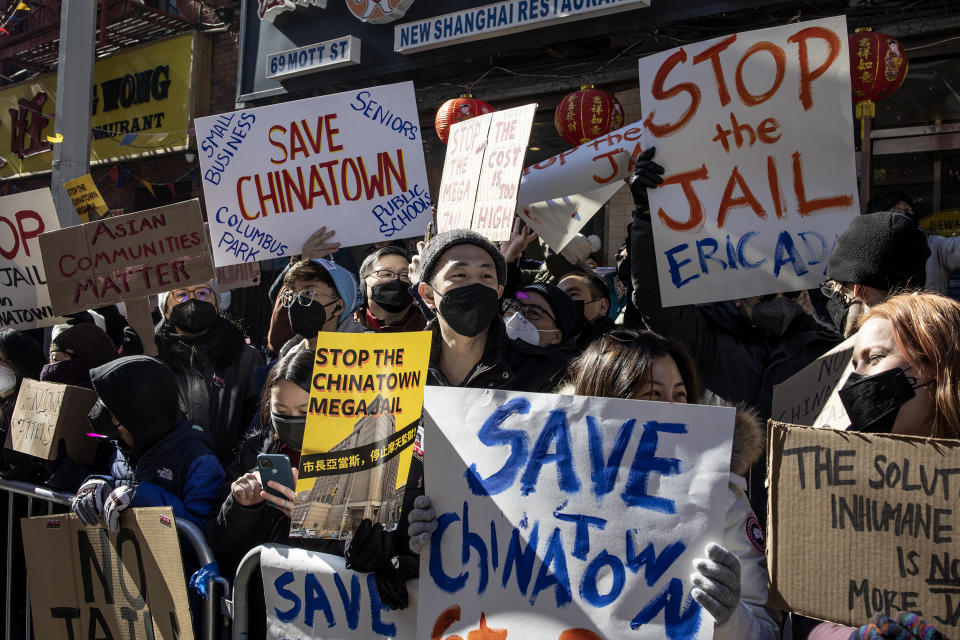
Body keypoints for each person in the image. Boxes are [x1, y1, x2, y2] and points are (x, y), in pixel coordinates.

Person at [407, 329, 781, 639]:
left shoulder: (721, 496)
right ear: (607, 400)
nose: (673, 409)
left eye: (680, 396)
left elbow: (767, 630)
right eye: (653, 395)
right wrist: (442, 538)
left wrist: (730, 616)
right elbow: (474, 595)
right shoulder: (525, 481)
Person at [628, 147, 842, 419]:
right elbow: (652, 300)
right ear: (737, 295)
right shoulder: (706, 336)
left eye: (789, 294)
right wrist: (647, 215)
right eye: (765, 296)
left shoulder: (823, 345)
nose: (780, 303)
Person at [794, 292, 959, 638]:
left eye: (874, 358)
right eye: (854, 366)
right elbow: (812, 614)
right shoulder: (839, 481)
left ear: (934, 364)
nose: (857, 381)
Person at [207, 348, 339, 577]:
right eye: (281, 411)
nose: (291, 420)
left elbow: (361, 555)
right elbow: (218, 542)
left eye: (304, 411)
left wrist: (314, 526)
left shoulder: (352, 462)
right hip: (261, 598)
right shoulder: (255, 451)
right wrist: (241, 506)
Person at [71, 356, 224, 531]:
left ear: (139, 417)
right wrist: (98, 485)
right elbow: (118, 484)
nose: (107, 422)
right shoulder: (123, 448)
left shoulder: (199, 459)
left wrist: (140, 497)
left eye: (112, 413)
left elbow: (200, 530)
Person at [154, 281, 264, 467]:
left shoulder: (246, 357)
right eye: (181, 295)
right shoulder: (154, 360)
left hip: (233, 478)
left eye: (202, 293)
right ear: (165, 310)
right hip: (172, 477)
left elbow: (259, 423)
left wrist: (237, 472)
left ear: (216, 304)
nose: (193, 301)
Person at [820, 210, 930, 336]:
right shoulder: (940, 334)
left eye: (835, 287)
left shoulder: (869, 352)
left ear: (858, 290)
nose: (833, 295)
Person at [277, 258, 365, 357]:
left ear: (338, 307)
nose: (295, 302)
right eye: (291, 294)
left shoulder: (368, 353)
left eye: (309, 293)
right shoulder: (287, 356)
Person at [502, 282, 581, 388]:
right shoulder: (481, 347)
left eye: (534, 312)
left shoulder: (566, 374)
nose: (518, 315)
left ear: (556, 336)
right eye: (514, 306)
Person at [355, 246, 426, 332]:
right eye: (386, 274)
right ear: (363, 284)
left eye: (405, 275)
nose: (396, 280)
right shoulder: (344, 327)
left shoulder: (432, 325)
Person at [558, 270, 617, 348]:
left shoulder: (618, 346)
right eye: (558, 297)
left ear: (602, 306)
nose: (560, 302)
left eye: (573, 294)